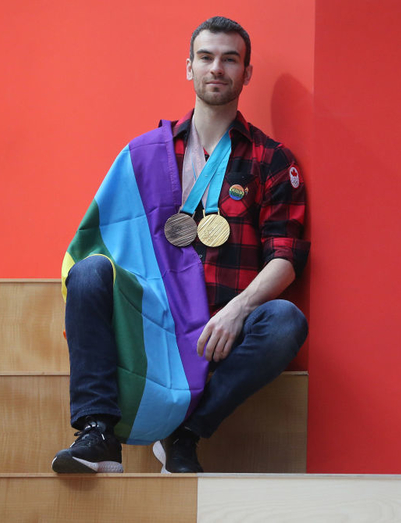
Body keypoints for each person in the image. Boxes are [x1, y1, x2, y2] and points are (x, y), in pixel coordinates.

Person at [51, 16, 309, 474]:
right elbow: (105, 240)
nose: (217, 68)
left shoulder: (271, 159)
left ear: (246, 73)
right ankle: (97, 434)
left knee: (286, 321)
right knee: (88, 270)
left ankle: (184, 437)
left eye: (230, 59)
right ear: (188, 67)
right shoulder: (144, 153)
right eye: (206, 57)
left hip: (217, 331)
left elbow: (285, 258)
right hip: (151, 322)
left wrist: (238, 311)